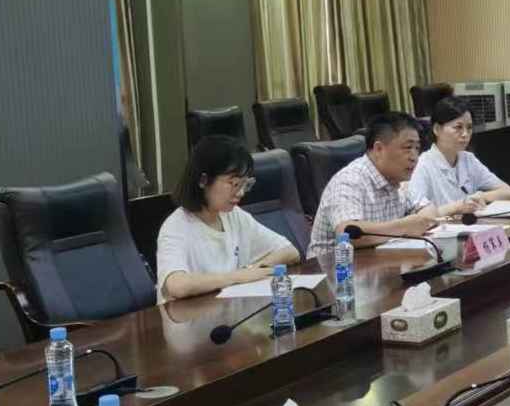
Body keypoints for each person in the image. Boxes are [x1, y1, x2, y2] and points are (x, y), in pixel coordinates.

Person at [156, 135, 300, 302]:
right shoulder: (176, 226)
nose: (241, 193)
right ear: (203, 180)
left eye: (245, 184)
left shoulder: (233, 215)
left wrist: (254, 269)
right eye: (234, 184)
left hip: (228, 309)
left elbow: (290, 252)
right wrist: (238, 276)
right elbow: (177, 285)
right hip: (188, 315)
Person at [309, 112, 445, 251]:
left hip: (380, 259)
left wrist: (419, 222)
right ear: (379, 149)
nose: (414, 157)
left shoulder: (397, 179)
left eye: (417, 148)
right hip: (335, 263)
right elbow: (348, 233)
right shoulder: (349, 181)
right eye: (408, 148)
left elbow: (429, 211)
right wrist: (404, 227)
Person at [408, 97, 510, 210]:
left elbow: (508, 192)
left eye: (469, 128)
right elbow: (418, 213)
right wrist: (458, 207)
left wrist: (481, 196)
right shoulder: (423, 165)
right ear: (437, 129)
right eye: (458, 127)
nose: (465, 134)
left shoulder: (468, 159)